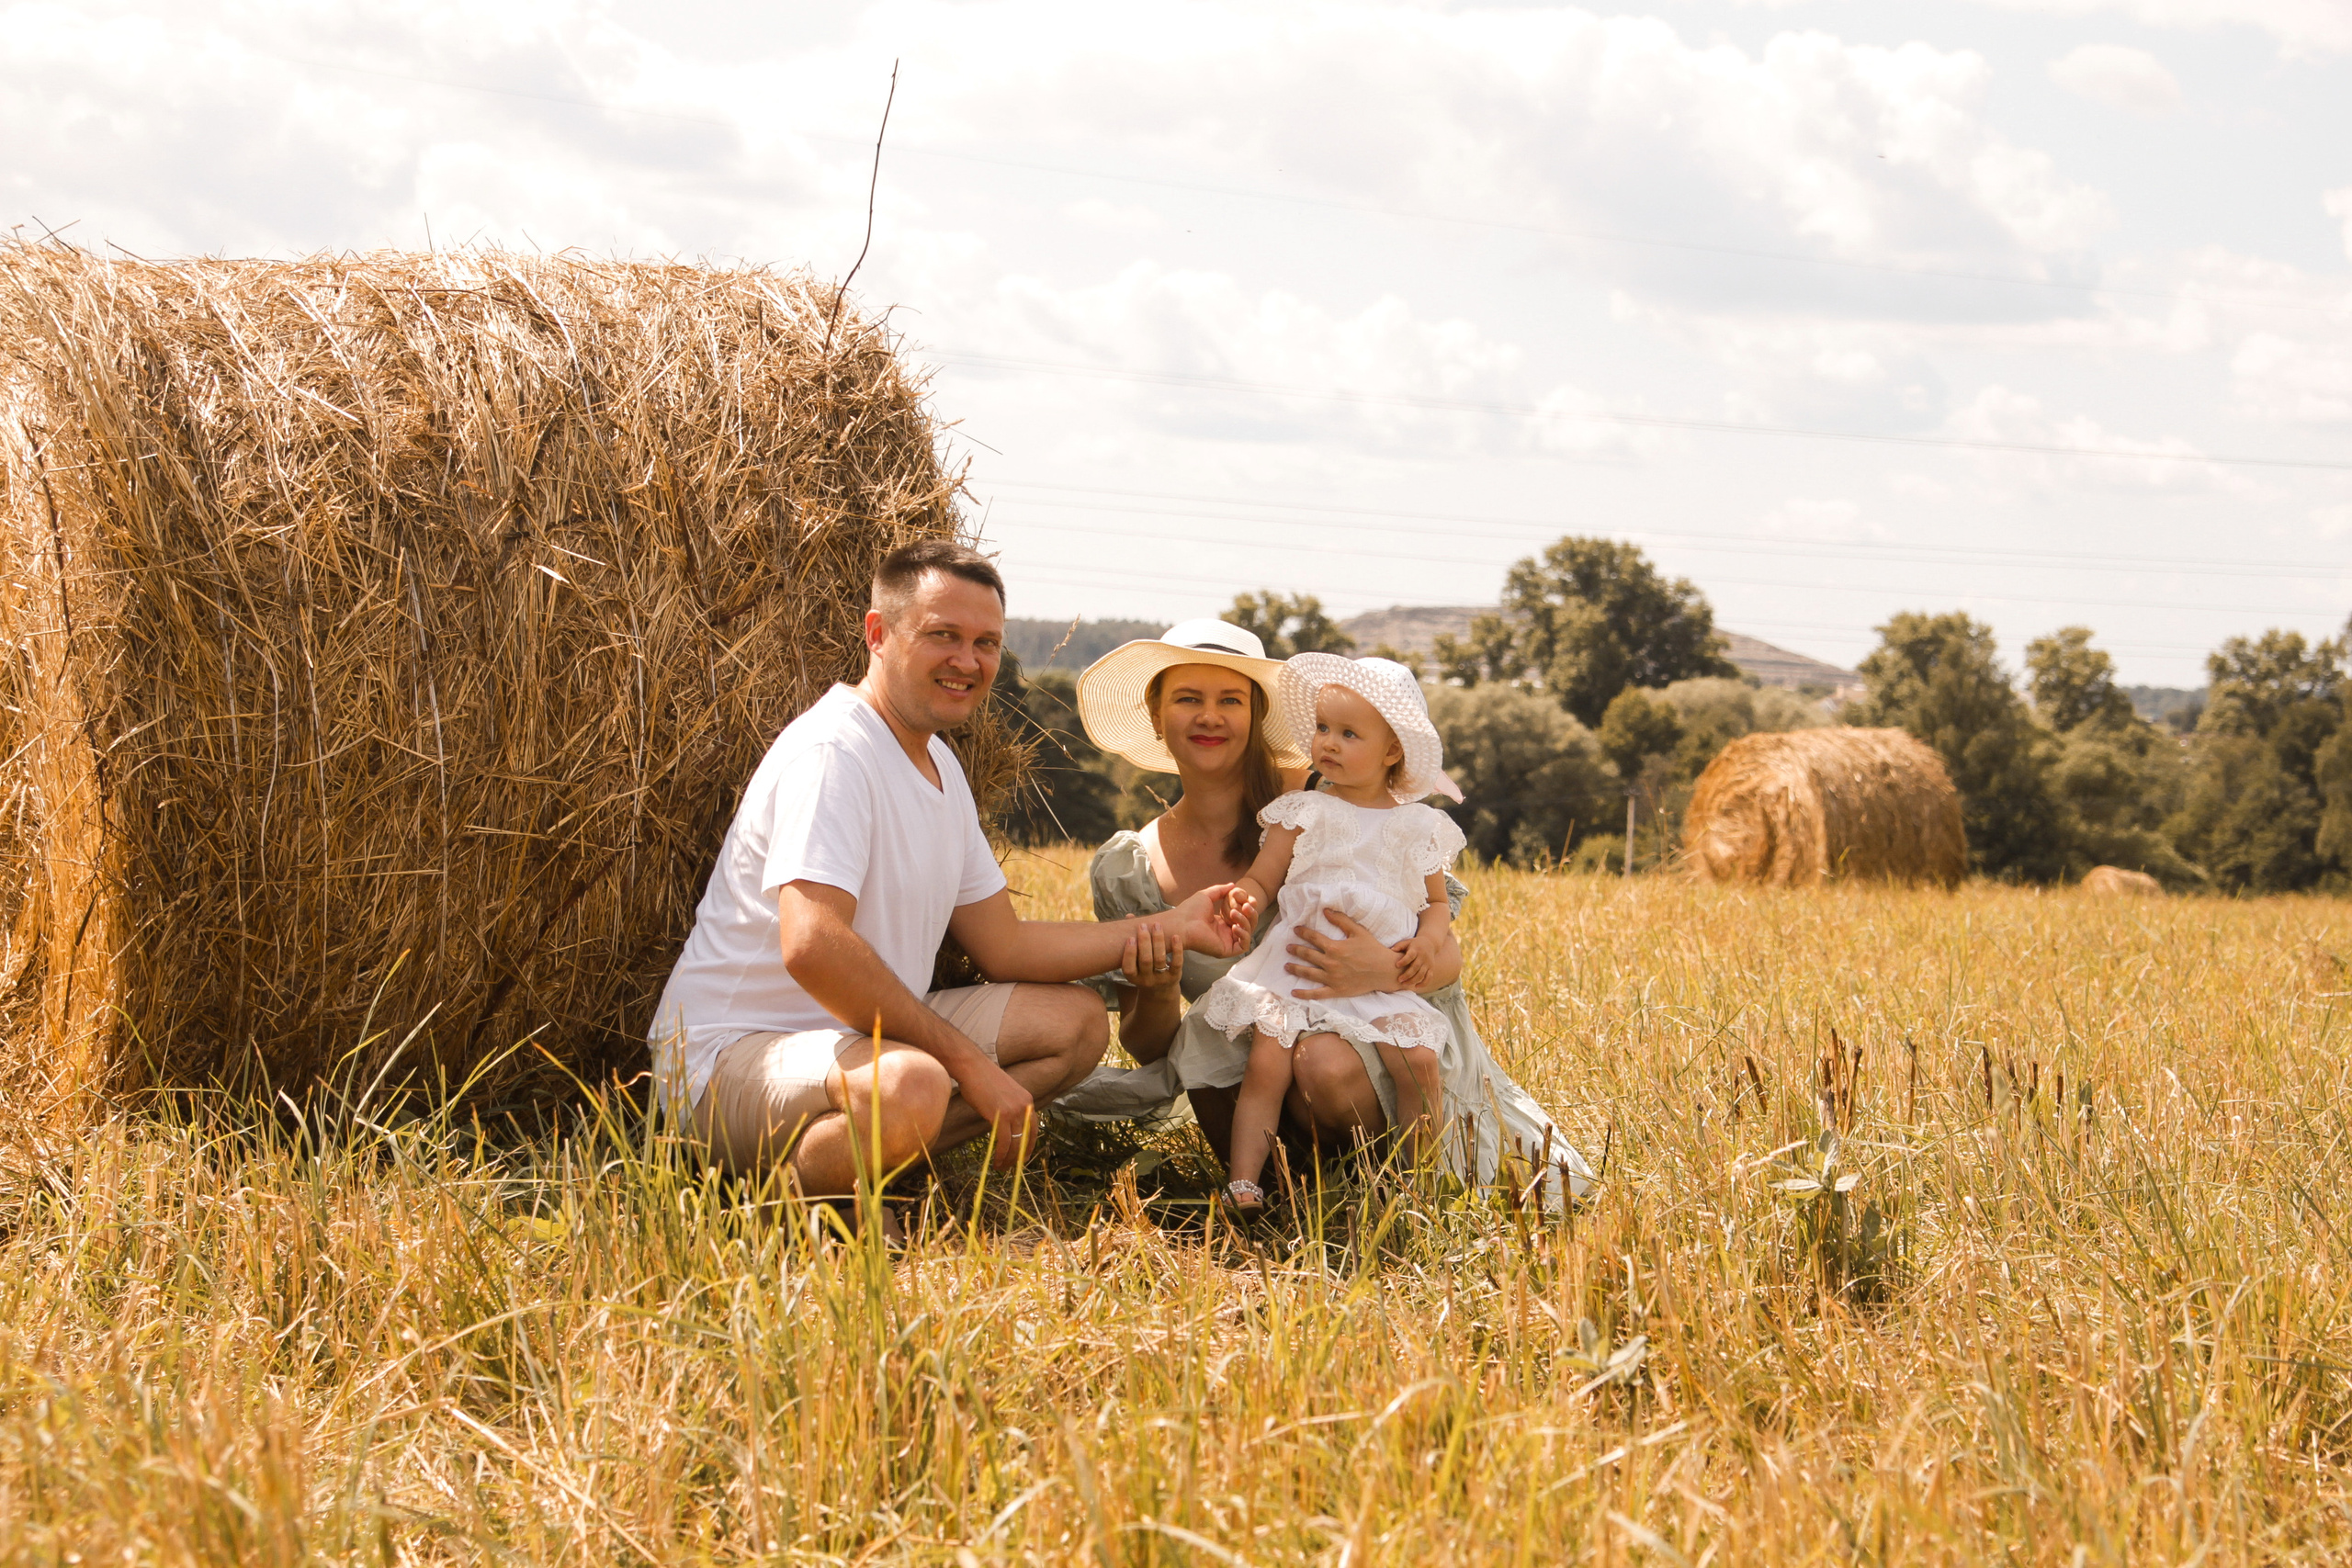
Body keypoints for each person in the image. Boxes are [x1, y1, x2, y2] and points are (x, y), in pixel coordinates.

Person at [648, 542, 1249, 1200]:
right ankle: (785, 1197)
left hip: (858, 1047)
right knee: (915, 1083)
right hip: (731, 1058)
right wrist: (969, 1065)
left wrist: (1173, 924)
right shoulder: (834, 752)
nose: (968, 661)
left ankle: (868, 1159)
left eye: (986, 642)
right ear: (878, 633)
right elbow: (812, 945)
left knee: (1076, 1025)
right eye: (944, 636)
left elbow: (1005, 944)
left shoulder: (940, 767)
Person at [1057, 621, 1593, 1210]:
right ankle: (1271, 1191)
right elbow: (1147, 1043)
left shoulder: (1340, 794)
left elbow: (1447, 952)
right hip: (1260, 1055)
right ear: (1157, 716)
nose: (1209, 717)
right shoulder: (1131, 865)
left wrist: (1380, 972)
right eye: (1188, 699)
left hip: (1367, 1037)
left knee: (1322, 1062)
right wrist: (1158, 989)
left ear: (1258, 715)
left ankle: (1388, 1190)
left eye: (1230, 700)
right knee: (1215, 1044)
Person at [1195, 655, 1468, 1210]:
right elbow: (1264, 875)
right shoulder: (1305, 810)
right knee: (1267, 1066)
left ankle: (1417, 1185)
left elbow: (1437, 905)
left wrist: (1427, 942)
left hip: (1379, 974)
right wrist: (1246, 897)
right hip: (1298, 965)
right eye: (1322, 729)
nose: (1329, 743)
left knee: (1415, 1062)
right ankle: (1245, 1183)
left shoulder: (1419, 824)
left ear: (1392, 750)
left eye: (1348, 733)